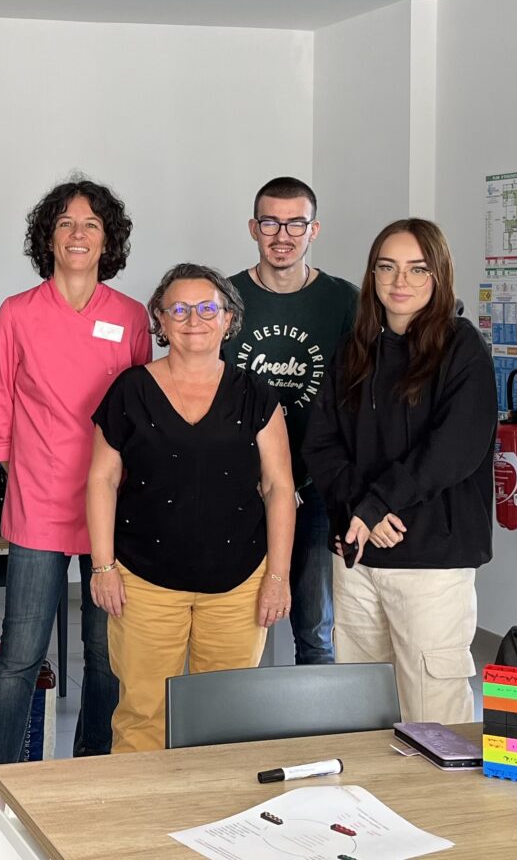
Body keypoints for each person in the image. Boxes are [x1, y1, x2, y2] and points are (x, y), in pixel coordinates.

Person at [0, 177, 149, 858]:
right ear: (48, 236)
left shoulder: (130, 316)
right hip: (39, 503)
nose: (78, 234)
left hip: (112, 510)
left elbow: (139, 408)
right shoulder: (17, 313)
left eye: (92, 224)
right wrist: (25, 467)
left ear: (110, 239)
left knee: (106, 660)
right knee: (19, 656)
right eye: (65, 223)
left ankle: (88, 782)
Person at [86, 264, 295, 753]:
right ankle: (140, 823)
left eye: (207, 308)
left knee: (225, 718)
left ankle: (216, 821)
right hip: (145, 582)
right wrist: (102, 567)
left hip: (238, 582)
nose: (192, 319)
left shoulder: (255, 394)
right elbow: (102, 479)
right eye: (177, 308)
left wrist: (278, 577)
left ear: (228, 319)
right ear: (159, 319)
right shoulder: (130, 389)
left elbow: (279, 487)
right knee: (142, 715)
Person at [302, 219, 496, 724]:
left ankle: (440, 807)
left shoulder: (462, 349)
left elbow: (452, 451)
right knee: (362, 709)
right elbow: (321, 445)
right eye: (387, 267)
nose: (400, 282)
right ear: (372, 276)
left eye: (417, 269)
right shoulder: (354, 348)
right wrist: (357, 511)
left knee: (432, 718)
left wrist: (376, 504)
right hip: (358, 557)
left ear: (439, 276)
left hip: (431, 564)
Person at [221, 177, 357, 667]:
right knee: (238, 624)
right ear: (254, 228)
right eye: (271, 222)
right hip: (240, 482)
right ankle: (246, 736)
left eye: (295, 222)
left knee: (315, 627)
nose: (283, 235)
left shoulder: (345, 301)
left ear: (313, 229)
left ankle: (316, 740)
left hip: (318, 483)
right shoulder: (224, 298)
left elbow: (362, 396)